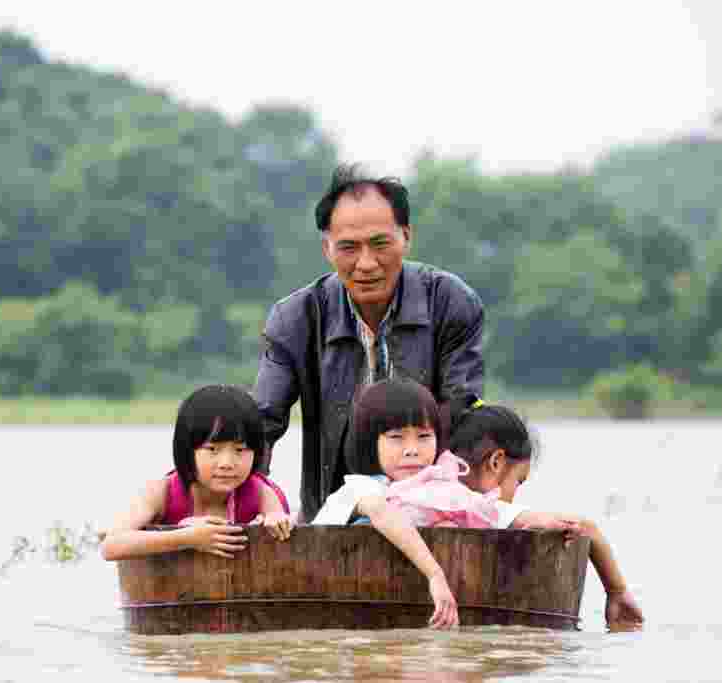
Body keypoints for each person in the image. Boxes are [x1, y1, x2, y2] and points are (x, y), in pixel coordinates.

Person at [255, 164, 485, 521]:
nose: (366, 264)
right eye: (348, 247)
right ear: (327, 248)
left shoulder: (449, 302)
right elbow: (262, 423)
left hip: (434, 513)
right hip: (334, 515)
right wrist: (249, 499)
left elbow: (462, 409)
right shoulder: (295, 318)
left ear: (406, 236)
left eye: (380, 244)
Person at [448, 397, 646, 627]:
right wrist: (617, 590)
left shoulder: (422, 492)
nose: (515, 493)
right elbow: (585, 528)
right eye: (518, 481)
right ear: (496, 462)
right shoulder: (476, 507)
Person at [311, 379, 469, 628]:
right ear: (369, 442)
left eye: (424, 436)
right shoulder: (359, 487)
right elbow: (382, 511)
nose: (412, 450)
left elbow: (484, 509)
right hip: (350, 606)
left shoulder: (439, 488)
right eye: (397, 437)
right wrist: (435, 574)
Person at [102, 385, 292, 561]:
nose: (227, 463)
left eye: (240, 450)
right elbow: (111, 545)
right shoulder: (162, 491)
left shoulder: (259, 491)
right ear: (187, 451)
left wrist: (275, 519)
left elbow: (278, 518)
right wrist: (189, 537)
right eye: (212, 449)